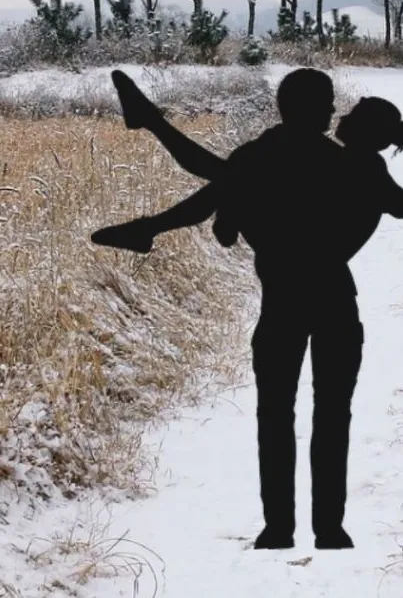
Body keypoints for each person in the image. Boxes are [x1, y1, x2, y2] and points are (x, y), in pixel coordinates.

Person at [92, 69, 403, 550]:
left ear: (283, 107)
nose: (339, 115)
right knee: (332, 415)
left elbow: (207, 174)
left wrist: (220, 210)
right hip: (336, 304)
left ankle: (279, 528)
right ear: (322, 112)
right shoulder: (359, 169)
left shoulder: (265, 159)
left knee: (275, 415)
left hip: (282, 303)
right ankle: (329, 529)